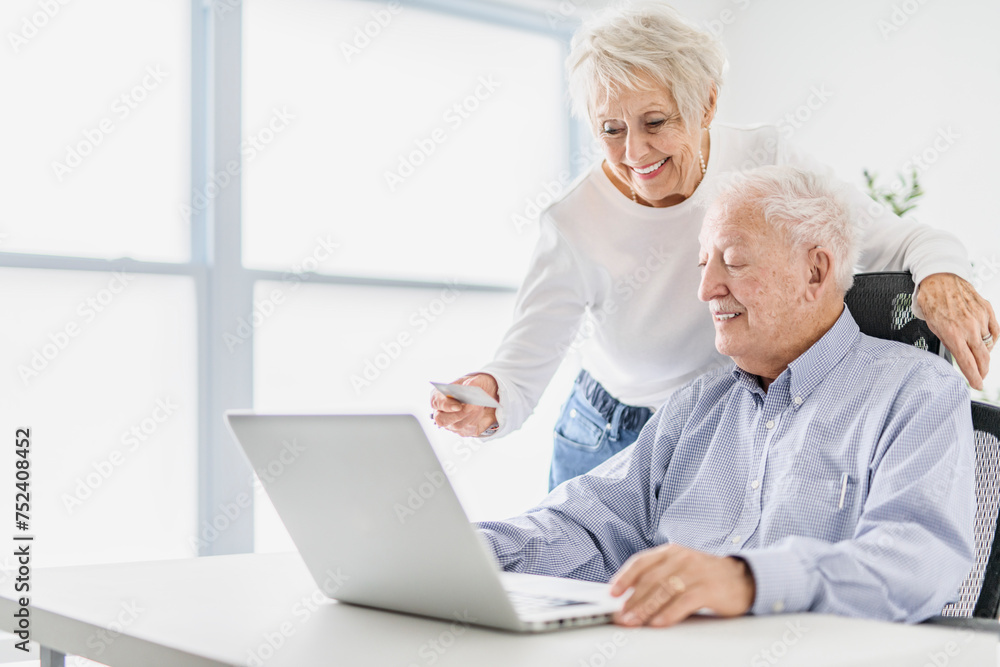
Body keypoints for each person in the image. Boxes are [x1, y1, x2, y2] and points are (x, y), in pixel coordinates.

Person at [430, 3, 997, 490]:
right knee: (575, 592)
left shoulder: (765, 158)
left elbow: (905, 240)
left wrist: (942, 276)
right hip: (610, 429)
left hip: (722, 420)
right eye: (610, 129)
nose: (633, 153)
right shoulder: (575, 222)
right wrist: (487, 399)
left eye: (654, 121)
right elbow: (520, 370)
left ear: (705, 104)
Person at [476, 165, 976, 626]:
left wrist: (747, 580)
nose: (707, 288)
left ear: (816, 273)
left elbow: (916, 559)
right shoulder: (697, 406)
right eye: (703, 264)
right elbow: (586, 524)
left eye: (733, 262)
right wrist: (465, 549)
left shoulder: (916, 393)